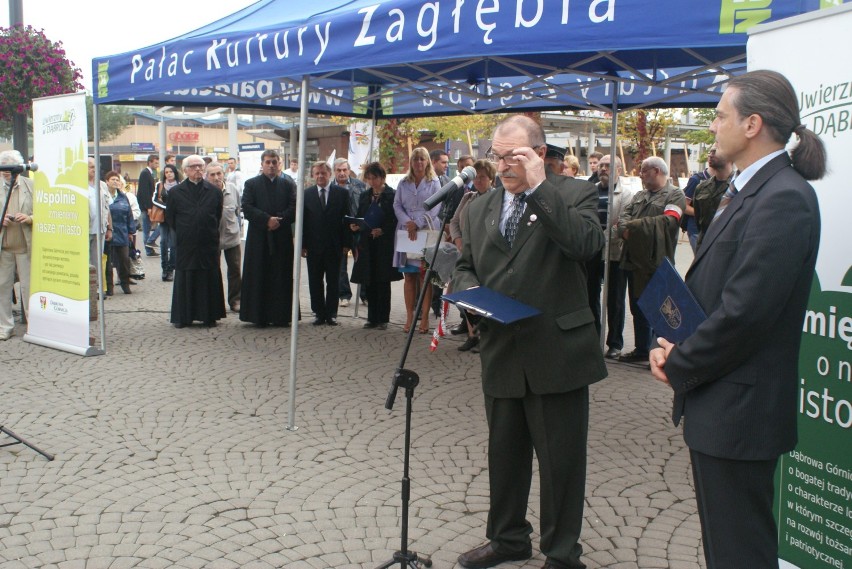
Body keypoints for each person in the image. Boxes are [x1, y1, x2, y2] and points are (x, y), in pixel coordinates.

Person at [649, 69, 825, 569]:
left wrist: (681, 363)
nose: (713, 127)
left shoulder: (784, 197)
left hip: (740, 413)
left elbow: (746, 314)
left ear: (752, 124)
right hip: (720, 404)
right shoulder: (751, 189)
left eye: (720, 116)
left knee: (740, 552)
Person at [454, 115, 606, 569]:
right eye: (496, 156)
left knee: (560, 461)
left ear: (539, 154)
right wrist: (469, 297)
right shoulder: (479, 207)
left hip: (557, 351)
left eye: (514, 156)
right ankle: (507, 538)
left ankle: (562, 553)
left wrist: (541, 190)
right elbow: (465, 264)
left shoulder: (574, 194)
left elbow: (586, 245)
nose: (502, 165)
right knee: (505, 455)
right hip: (502, 347)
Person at [616, 156, 686, 364]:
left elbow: (669, 222)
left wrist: (633, 229)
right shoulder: (639, 195)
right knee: (637, 307)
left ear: (656, 171)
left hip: (658, 262)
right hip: (633, 260)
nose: (640, 174)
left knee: (660, 309)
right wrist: (627, 228)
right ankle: (641, 349)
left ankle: (659, 351)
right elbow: (621, 222)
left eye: (644, 171)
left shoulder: (675, 195)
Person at [165, 156, 226, 328]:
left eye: (200, 166)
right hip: (186, 242)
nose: (198, 169)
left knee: (208, 277)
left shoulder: (214, 191)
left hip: (208, 241)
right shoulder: (176, 192)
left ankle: (209, 315)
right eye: (193, 167)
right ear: (185, 171)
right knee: (186, 278)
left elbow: (217, 214)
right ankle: (184, 317)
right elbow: (170, 218)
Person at [240, 149, 297, 327]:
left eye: (274, 162)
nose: (271, 165)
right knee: (258, 274)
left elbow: (294, 207)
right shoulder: (251, 184)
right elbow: (247, 207)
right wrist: (266, 220)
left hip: (281, 237)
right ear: (262, 164)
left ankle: (280, 315)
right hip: (258, 237)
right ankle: (258, 316)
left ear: (279, 163)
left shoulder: (288, 185)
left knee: (281, 275)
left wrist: (279, 220)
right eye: (268, 162)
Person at [448, 158, 496, 352]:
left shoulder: (497, 199)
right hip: (467, 254)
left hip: (487, 256)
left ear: (491, 179)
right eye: (476, 178)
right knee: (467, 295)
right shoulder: (468, 198)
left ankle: (486, 337)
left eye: (483, 178)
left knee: (485, 297)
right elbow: (453, 221)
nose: (478, 181)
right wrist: (458, 240)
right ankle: (472, 335)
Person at [392, 147, 441, 334]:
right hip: (407, 231)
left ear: (427, 161)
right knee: (409, 276)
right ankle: (409, 317)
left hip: (426, 229)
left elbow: (436, 206)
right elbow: (396, 205)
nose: (419, 162)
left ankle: (425, 318)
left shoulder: (434, 182)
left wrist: (418, 223)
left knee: (424, 276)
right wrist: (407, 222)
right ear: (411, 162)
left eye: (422, 159)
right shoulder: (404, 183)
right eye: (415, 159)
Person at [349, 162, 401, 330]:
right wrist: (355, 225)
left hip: (384, 244)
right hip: (367, 243)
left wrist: (383, 230)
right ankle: (372, 318)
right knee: (369, 280)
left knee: (383, 281)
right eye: (369, 178)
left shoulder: (391, 195)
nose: (372, 182)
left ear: (382, 178)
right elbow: (359, 216)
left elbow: (395, 220)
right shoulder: (365, 195)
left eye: (375, 178)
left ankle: (383, 318)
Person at [594, 155, 635, 359]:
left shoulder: (626, 194)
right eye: (601, 165)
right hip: (592, 253)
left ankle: (615, 343)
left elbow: (620, 224)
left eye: (608, 166)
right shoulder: (590, 191)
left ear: (618, 169)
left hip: (615, 253)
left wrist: (600, 237)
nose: (603, 169)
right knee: (591, 296)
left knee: (615, 300)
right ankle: (593, 339)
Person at [302, 162, 349, 326]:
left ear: (330, 174)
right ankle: (318, 313)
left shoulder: (342, 194)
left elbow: (347, 220)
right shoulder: (306, 194)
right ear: (313, 175)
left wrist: (346, 243)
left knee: (333, 281)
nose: (320, 176)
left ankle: (331, 313)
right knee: (315, 280)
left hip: (334, 245)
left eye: (323, 173)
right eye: (317, 173)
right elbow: (303, 222)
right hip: (313, 246)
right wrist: (302, 244)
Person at [0, 150, 34, 341]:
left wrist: (29, 218)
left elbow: (44, 212)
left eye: (11, 170)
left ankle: (33, 324)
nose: (7, 174)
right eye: (4, 170)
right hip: (4, 248)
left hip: (25, 247)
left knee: (28, 288)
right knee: (2, 287)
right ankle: (5, 326)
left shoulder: (31, 186)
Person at [206, 162, 242, 313]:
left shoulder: (232, 189)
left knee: (235, 269)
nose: (216, 177)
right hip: (211, 239)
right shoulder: (204, 191)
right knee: (213, 270)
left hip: (231, 237)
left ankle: (236, 300)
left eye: (218, 173)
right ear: (207, 177)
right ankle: (215, 302)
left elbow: (238, 209)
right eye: (212, 174)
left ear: (224, 174)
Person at [333, 157, 368, 308]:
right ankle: (344, 295)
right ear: (334, 171)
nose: (342, 173)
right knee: (340, 265)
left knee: (361, 263)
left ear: (349, 170)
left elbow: (366, 206)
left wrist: (361, 223)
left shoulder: (359, 185)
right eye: (339, 170)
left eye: (344, 170)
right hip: (339, 232)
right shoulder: (330, 187)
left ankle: (365, 295)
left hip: (358, 230)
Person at [692, 145, 734, 247]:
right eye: (710, 152)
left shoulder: (739, 186)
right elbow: (699, 219)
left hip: (728, 245)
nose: (710, 155)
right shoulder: (701, 187)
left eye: (715, 152)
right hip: (704, 243)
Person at [104, 171, 136, 296]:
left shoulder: (123, 197)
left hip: (122, 233)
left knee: (124, 260)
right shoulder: (103, 196)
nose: (115, 182)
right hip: (107, 233)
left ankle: (125, 284)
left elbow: (129, 215)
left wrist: (131, 231)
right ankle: (109, 287)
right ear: (106, 181)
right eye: (112, 179)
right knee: (107, 262)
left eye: (117, 180)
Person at [154, 164, 181, 282]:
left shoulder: (180, 185)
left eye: (171, 171)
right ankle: (164, 268)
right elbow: (154, 199)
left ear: (175, 172)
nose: (168, 174)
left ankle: (171, 268)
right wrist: (166, 207)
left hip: (176, 219)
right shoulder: (159, 185)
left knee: (174, 244)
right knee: (163, 242)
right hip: (163, 218)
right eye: (166, 172)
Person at [87, 157, 112, 269]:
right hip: (85, 231)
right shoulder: (78, 185)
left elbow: (107, 208)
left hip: (100, 230)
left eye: (96, 167)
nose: (94, 170)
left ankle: (97, 285)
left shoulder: (102, 185)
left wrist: (110, 229)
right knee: (85, 263)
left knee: (97, 263)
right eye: (92, 167)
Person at [136, 154, 160, 256]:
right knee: (146, 229)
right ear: (149, 162)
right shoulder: (145, 173)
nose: (157, 165)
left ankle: (149, 247)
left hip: (148, 206)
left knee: (148, 228)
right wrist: (148, 207)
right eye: (155, 163)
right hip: (146, 206)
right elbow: (145, 191)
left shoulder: (150, 173)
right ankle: (149, 249)